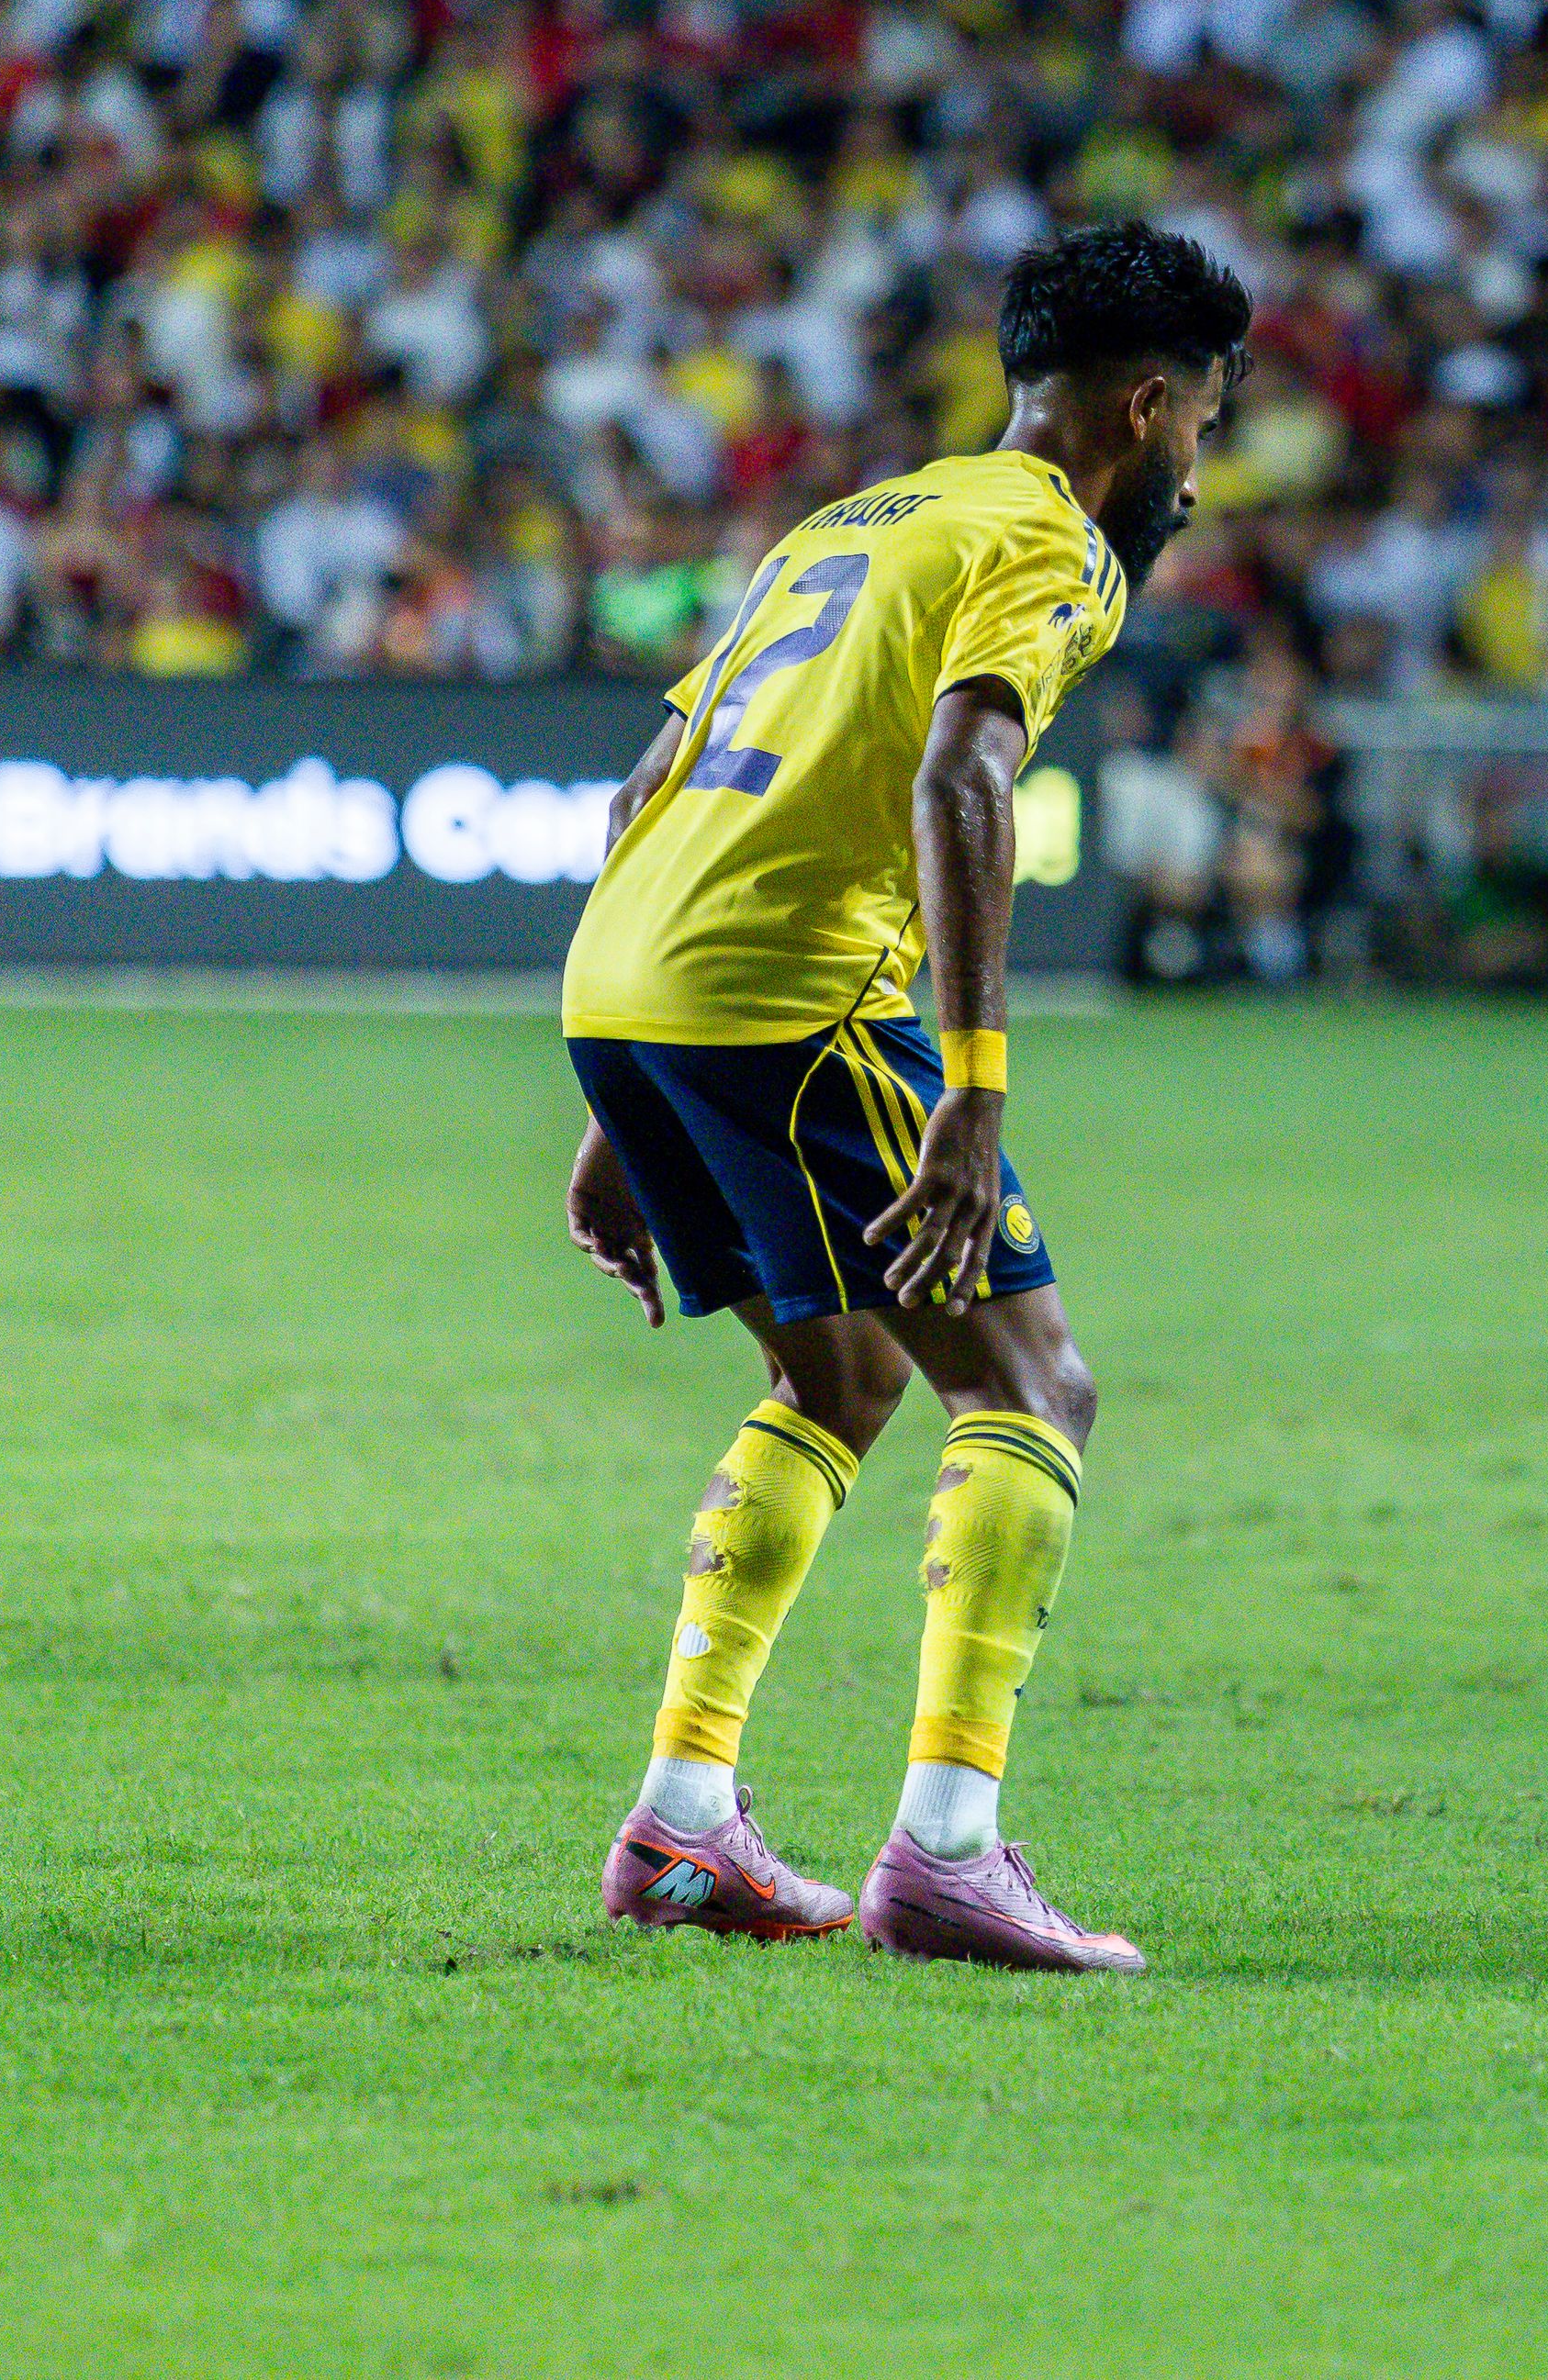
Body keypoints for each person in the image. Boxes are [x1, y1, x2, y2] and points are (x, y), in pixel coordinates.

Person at [558, 219, 1248, 1974]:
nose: (1197, 471)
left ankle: (683, 1822)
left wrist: (617, 1102)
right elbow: (966, 772)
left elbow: (657, 772)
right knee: (1033, 1379)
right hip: (793, 988)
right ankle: (948, 1850)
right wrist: (977, 1085)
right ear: (1147, 405)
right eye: (1203, 428)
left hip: (634, 972)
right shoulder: (1055, 541)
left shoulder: (859, 517)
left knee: (842, 1367)